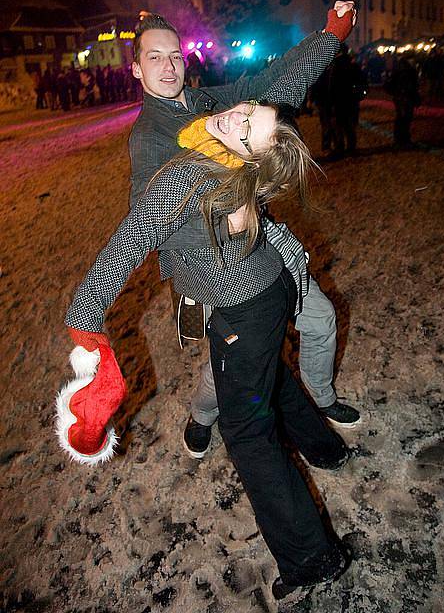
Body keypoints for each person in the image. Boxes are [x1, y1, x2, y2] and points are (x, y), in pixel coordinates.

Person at [65, 97, 353, 600]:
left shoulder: (194, 175)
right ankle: (327, 450)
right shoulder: (221, 157)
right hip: (268, 292)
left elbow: (128, 243)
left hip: (246, 310)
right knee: (274, 379)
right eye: (247, 112)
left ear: (247, 157)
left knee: (247, 433)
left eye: (247, 131)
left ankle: (312, 558)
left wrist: (85, 316)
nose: (235, 119)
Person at [128, 8, 361, 459]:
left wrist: (328, 37)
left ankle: (322, 397)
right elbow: (150, 225)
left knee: (320, 319)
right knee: (230, 367)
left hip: (264, 244)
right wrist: (224, 224)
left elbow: (265, 83)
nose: (169, 65)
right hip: (217, 265)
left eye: (174, 54)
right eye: (154, 57)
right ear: (136, 68)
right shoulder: (149, 137)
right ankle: (201, 417)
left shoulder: (198, 101)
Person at [386, 55, 420, 148]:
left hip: (401, 97)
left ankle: (400, 139)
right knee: (404, 118)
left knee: (403, 118)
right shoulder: (408, 72)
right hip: (404, 97)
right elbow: (413, 87)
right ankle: (402, 139)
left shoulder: (400, 70)